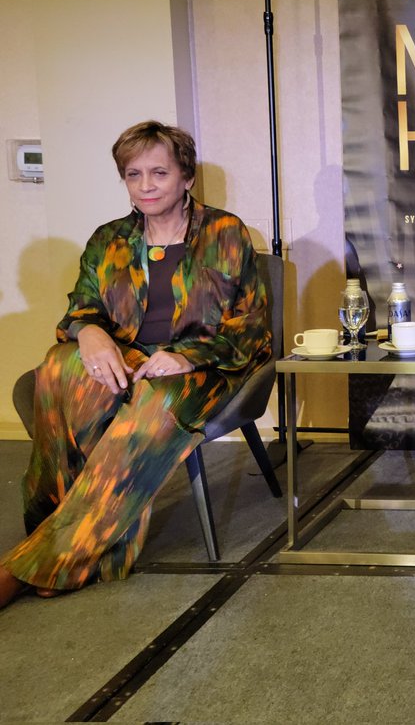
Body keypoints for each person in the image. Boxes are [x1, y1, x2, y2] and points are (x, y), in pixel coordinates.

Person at [0, 121, 270, 609]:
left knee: (152, 400)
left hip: (204, 370)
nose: (145, 185)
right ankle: (66, 533)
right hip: (129, 362)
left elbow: (251, 329)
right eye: (133, 174)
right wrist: (92, 335)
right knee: (59, 366)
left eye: (159, 173)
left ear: (186, 177)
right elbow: (79, 309)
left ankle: (34, 563)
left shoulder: (226, 233)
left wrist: (184, 357)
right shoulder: (109, 240)